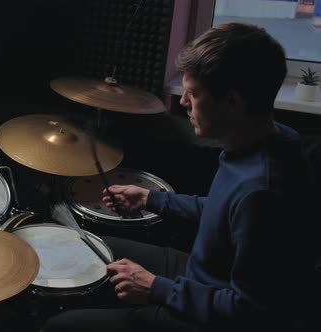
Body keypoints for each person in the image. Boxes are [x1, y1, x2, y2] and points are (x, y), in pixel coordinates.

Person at [40, 22, 320, 332]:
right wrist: (152, 199)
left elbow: (251, 312)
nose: (184, 102)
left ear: (232, 102)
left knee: (59, 327)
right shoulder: (270, 141)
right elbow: (220, 210)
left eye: (193, 94)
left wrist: (156, 288)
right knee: (90, 247)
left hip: (212, 312)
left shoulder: (263, 191)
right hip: (201, 275)